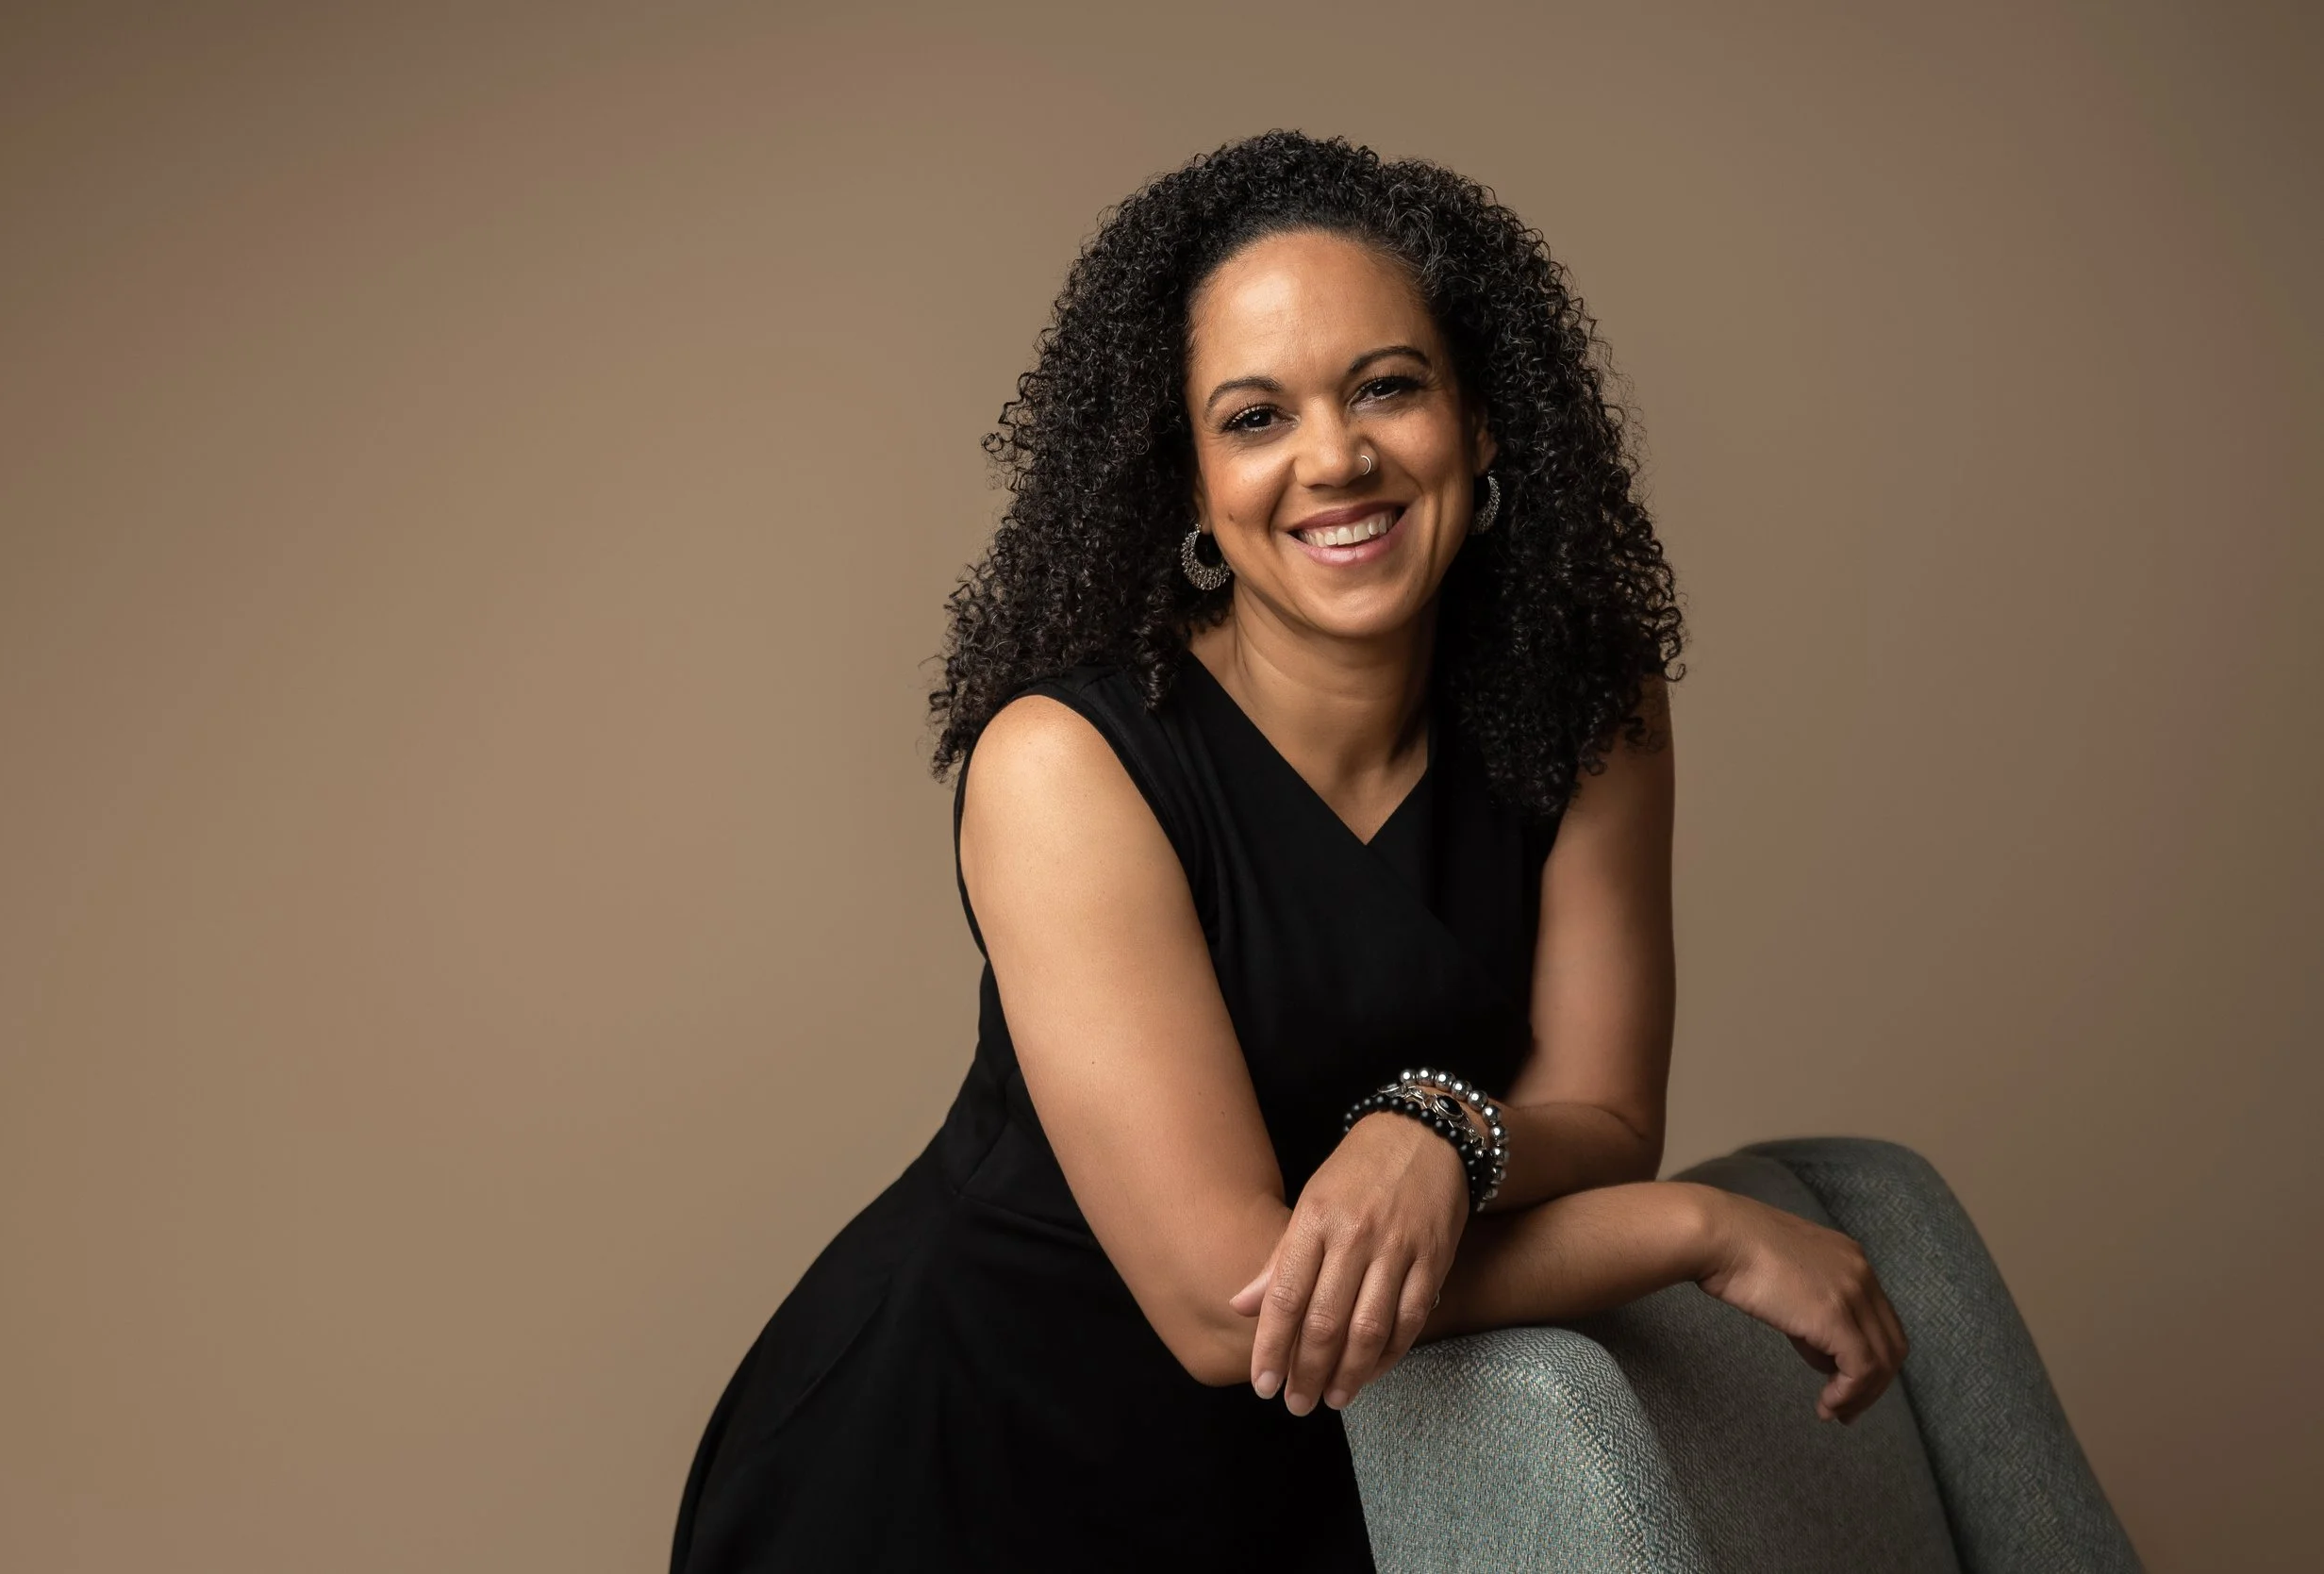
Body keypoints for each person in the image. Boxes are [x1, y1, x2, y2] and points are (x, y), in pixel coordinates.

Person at [670, 129, 1907, 1573]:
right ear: (1188, 485)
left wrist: (1434, 1129)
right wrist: (1697, 1234)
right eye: (1255, 418)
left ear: (1486, 419)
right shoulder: (1065, 766)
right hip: (948, 1471)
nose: (1335, 458)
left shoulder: (1593, 705)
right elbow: (1232, 1309)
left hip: (1298, 1477)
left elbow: (1605, 1116)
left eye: (1388, 386)